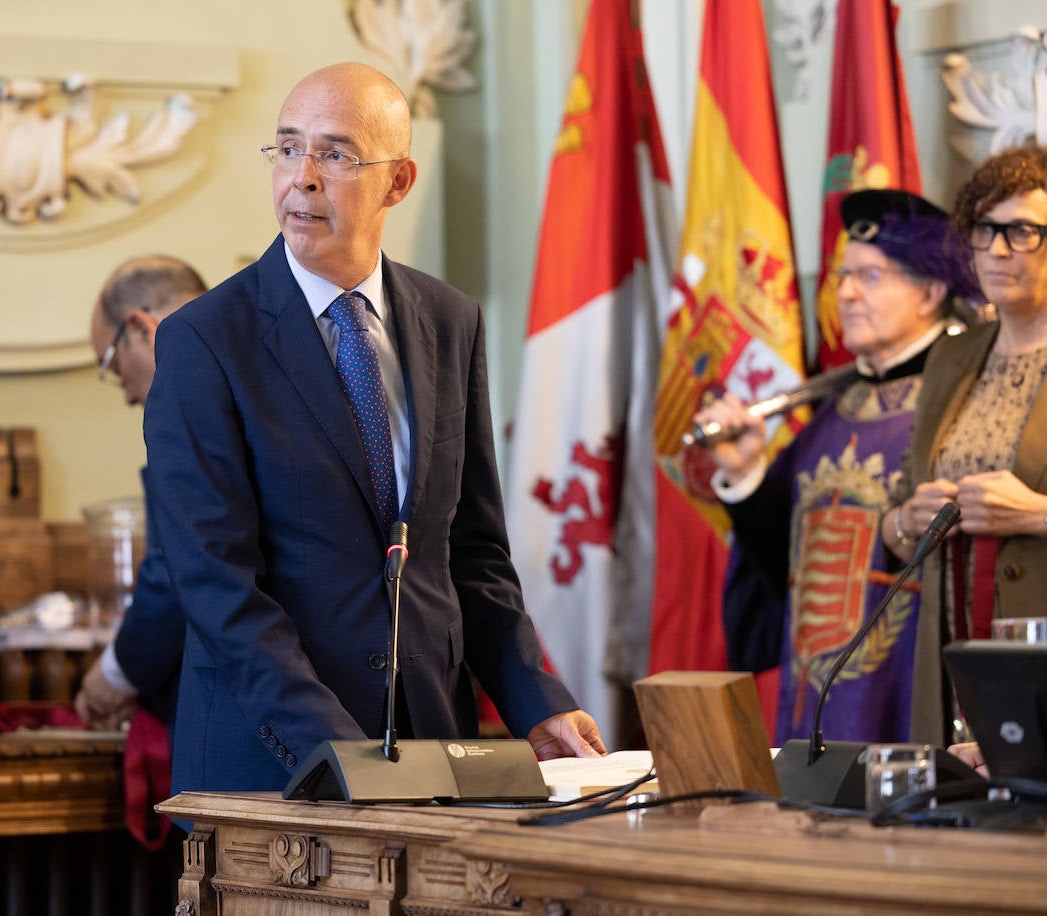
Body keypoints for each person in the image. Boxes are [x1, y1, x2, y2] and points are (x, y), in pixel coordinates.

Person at [143, 62, 604, 796]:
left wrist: (534, 701)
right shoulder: (205, 340)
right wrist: (335, 753)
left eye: (336, 154)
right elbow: (214, 582)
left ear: (399, 181)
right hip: (273, 767)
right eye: (288, 148)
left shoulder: (450, 322)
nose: (303, 178)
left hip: (431, 748)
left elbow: (472, 554)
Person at [695, 189, 985, 744]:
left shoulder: (962, 404)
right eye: (842, 275)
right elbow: (785, 565)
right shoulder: (831, 414)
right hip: (814, 705)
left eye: (869, 276)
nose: (845, 293)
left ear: (930, 291)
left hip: (918, 702)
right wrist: (747, 474)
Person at [882, 145, 1047, 746]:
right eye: (985, 230)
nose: (999, 251)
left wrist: (1035, 514)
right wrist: (908, 519)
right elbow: (895, 519)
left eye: (1023, 231)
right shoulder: (952, 356)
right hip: (949, 667)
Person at [75, 254, 205, 729]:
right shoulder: (261, 364)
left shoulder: (194, 399)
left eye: (110, 364)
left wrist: (115, 675)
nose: (127, 394)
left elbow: (179, 566)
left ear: (139, 328)